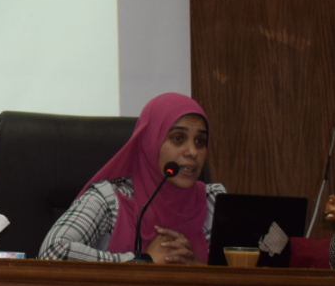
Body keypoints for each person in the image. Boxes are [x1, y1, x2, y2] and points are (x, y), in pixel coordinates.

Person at [38, 93, 224, 264]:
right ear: (150, 142)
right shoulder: (110, 200)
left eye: (200, 141)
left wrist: (196, 268)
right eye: (178, 138)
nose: (192, 152)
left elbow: (239, 268)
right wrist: (142, 262)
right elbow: (52, 252)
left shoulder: (213, 201)